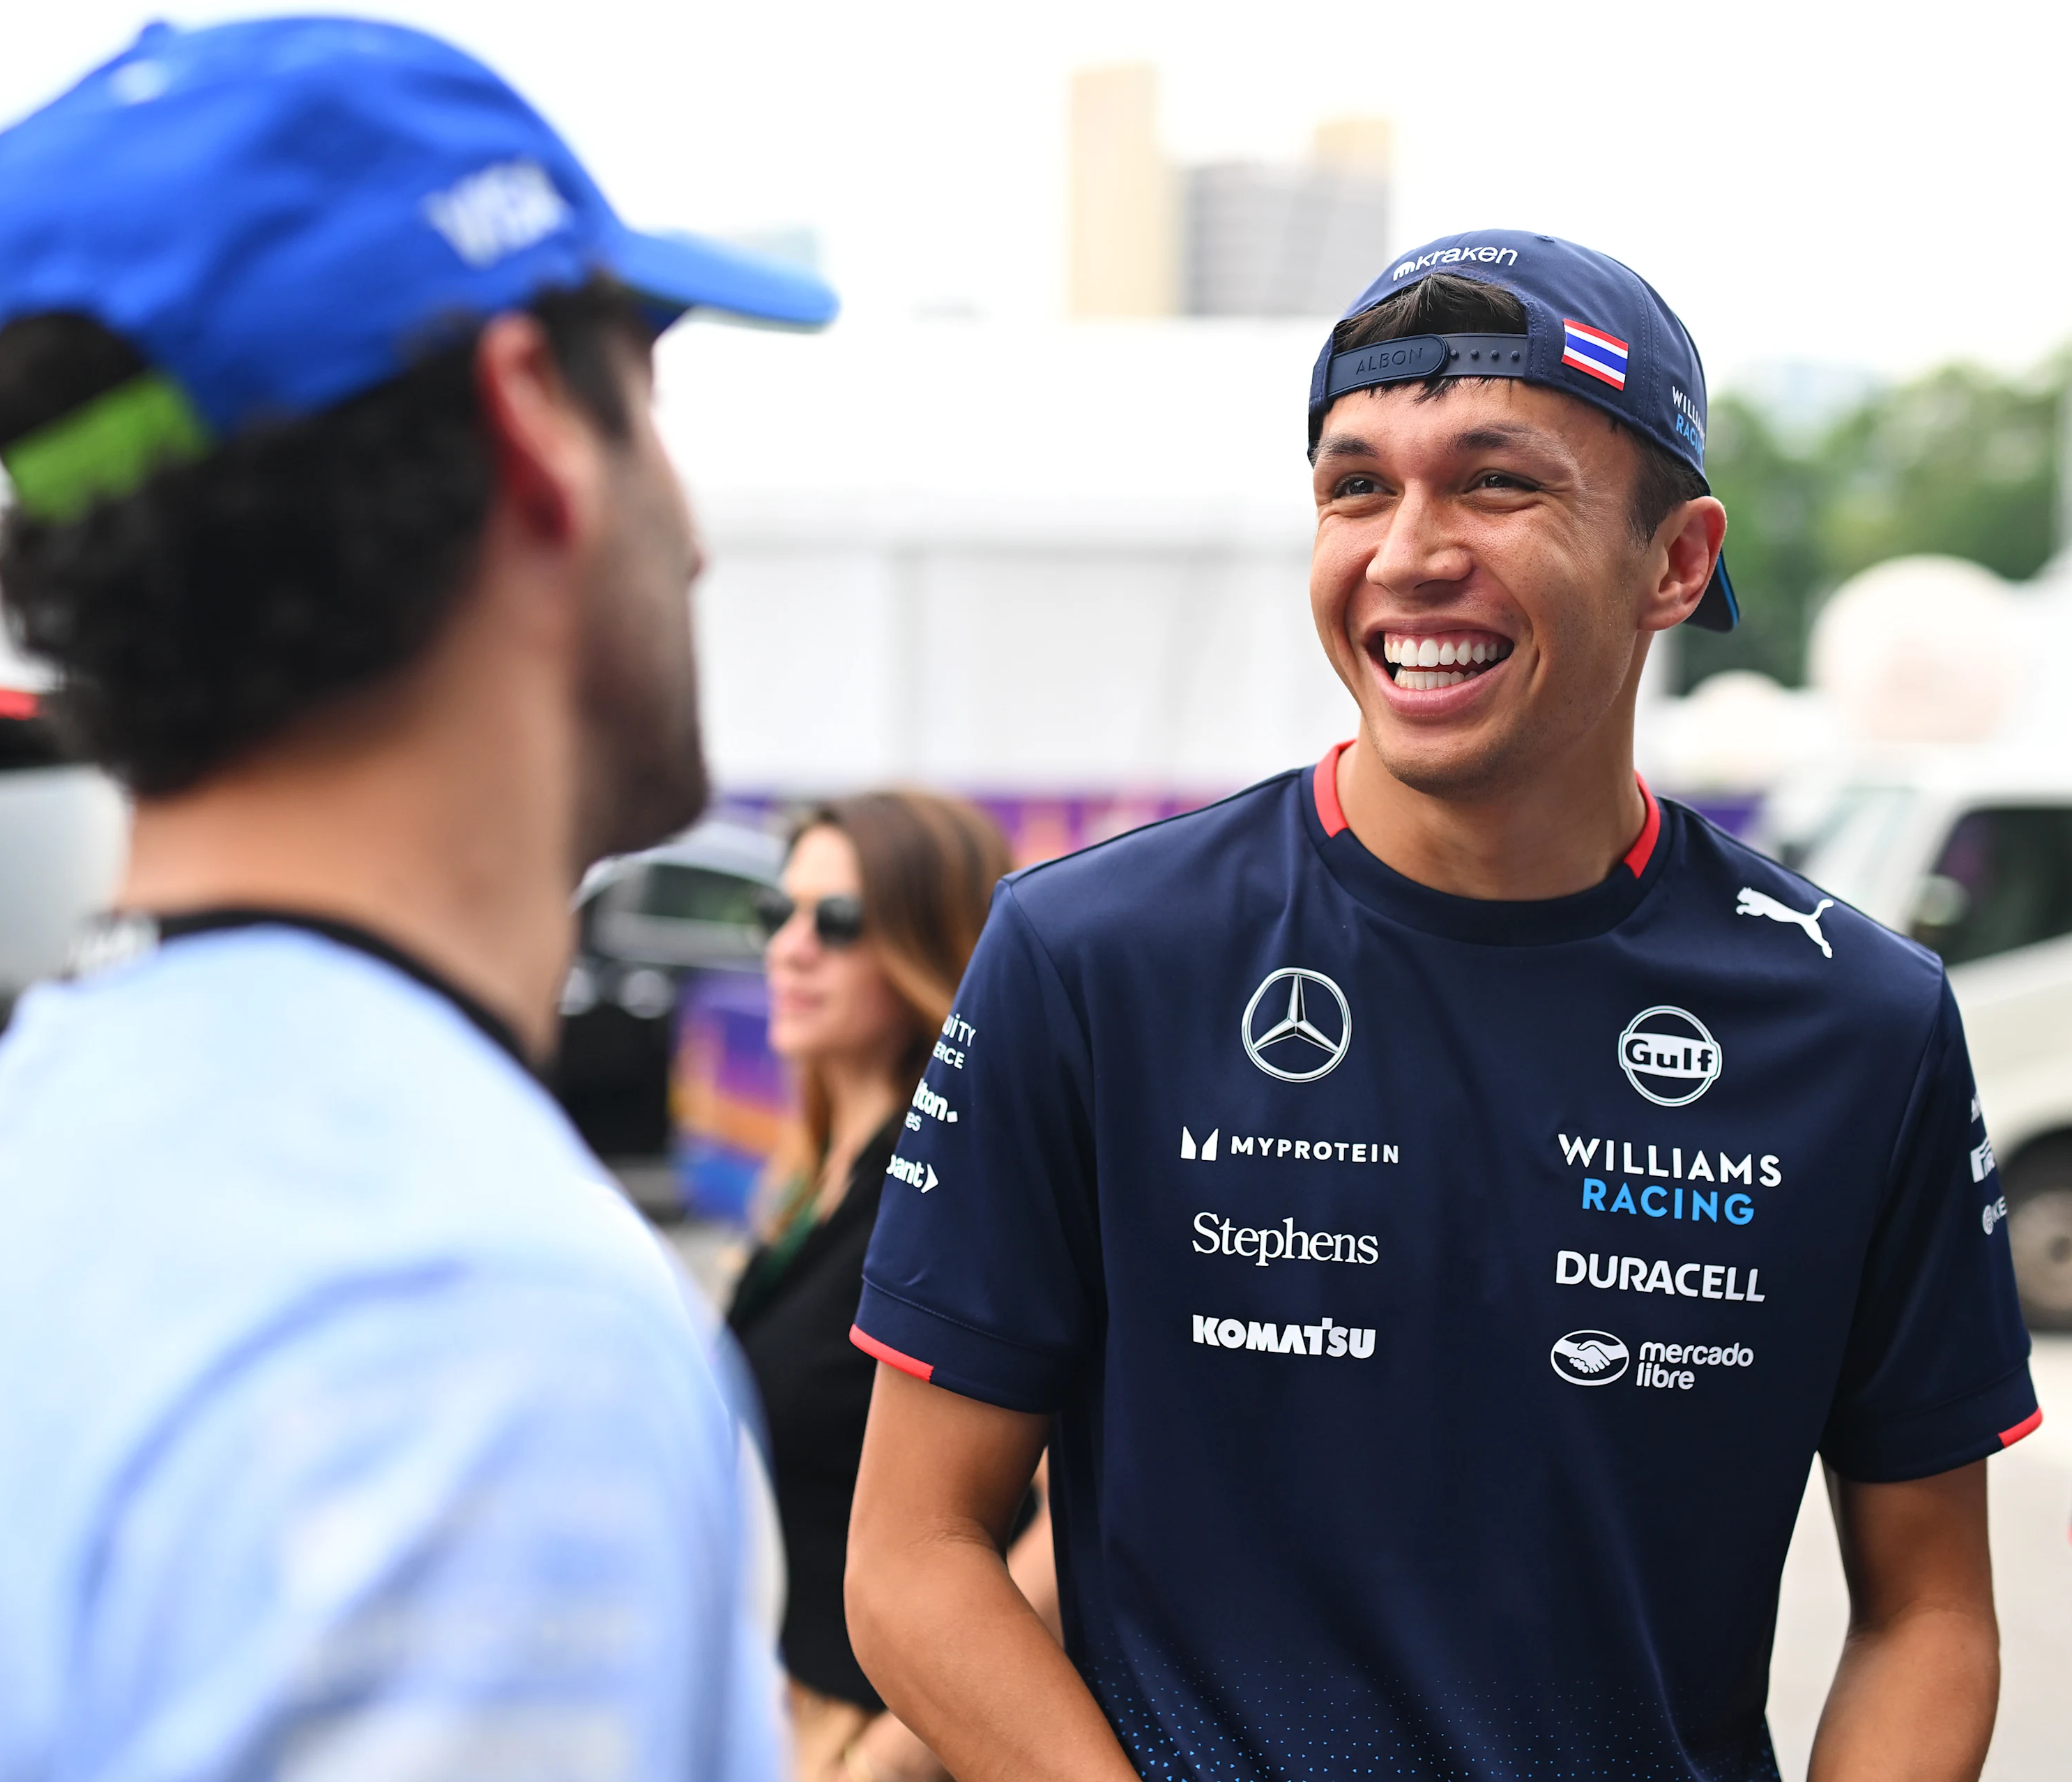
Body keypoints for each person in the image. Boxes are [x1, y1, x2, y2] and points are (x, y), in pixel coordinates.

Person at [0, 19, 835, 1781]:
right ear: (531, 417)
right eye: (647, 393)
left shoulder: (10, 1175)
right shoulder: (457, 1323)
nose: (697, 528)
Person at [844, 231, 2040, 1782]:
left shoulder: (1861, 1024)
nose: (1405, 550)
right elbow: (914, 1553)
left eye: (1496, 482)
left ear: (1675, 561)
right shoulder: (1089, 956)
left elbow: (1928, 1615)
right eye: (1355, 487)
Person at [722, 793, 1023, 1782]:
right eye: (781, 914)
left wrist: (895, 1758)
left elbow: (1073, 1524)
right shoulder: (815, 1176)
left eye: (838, 922)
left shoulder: (953, 1175)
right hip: (788, 1707)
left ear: (924, 941)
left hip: (886, 1734)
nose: (794, 948)